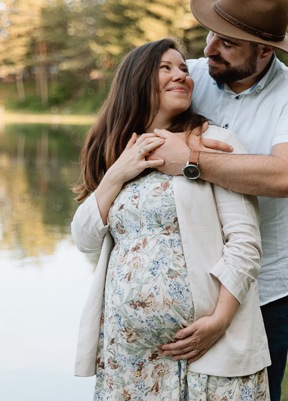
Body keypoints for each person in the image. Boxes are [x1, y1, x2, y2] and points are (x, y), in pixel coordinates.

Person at [150, 0, 288, 401]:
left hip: (268, 290)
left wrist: (191, 161)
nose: (208, 49)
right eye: (212, 33)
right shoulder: (189, 77)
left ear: (265, 50)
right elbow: (125, 125)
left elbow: (287, 177)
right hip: (192, 284)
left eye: (228, 43)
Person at [70, 38, 271, 400]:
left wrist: (220, 320)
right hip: (130, 358)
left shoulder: (214, 144)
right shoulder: (117, 152)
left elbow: (244, 243)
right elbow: (84, 238)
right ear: (136, 79)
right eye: (166, 67)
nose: (181, 75)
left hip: (207, 346)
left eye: (183, 68)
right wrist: (117, 173)